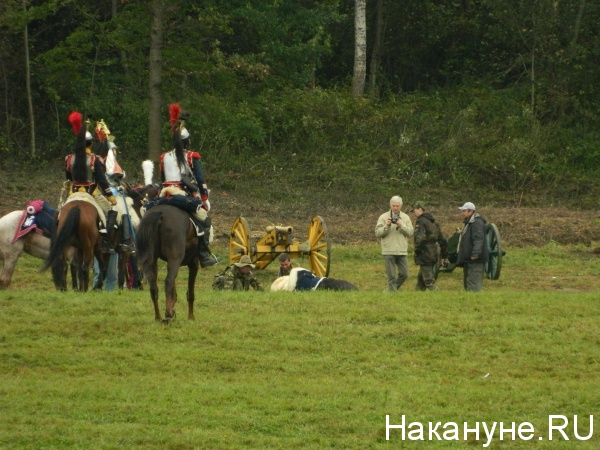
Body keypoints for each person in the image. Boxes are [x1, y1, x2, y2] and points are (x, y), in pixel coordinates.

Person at [159, 103, 216, 267]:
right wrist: (204, 198)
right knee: (204, 220)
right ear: (187, 142)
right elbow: (200, 180)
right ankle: (204, 256)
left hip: (164, 195)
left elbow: (162, 179)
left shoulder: (164, 157)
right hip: (183, 196)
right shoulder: (192, 156)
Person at [65, 111, 116, 254]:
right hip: (92, 194)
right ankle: (106, 242)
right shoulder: (94, 159)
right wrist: (110, 196)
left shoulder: (69, 159)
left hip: (72, 194)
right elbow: (101, 180)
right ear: (91, 143)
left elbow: (68, 177)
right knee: (111, 212)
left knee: (59, 215)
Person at [375, 195, 414, 291]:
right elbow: (378, 233)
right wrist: (386, 226)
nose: (395, 208)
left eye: (397, 206)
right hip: (388, 250)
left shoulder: (405, 217)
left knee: (404, 274)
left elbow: (410, 233)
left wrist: (401, 225)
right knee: (391, 276)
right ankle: (392, 294)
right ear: (390, 205)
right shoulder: (383, 217)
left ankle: (389, 291)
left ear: (401, 206)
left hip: (401, 250)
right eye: (393, 206)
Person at [410, 201, 449, 291]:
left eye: (414, 210)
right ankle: (417, 296)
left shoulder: (421, 221)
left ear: (420, 209)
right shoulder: (434, 222)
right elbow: (442, 240)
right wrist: (445, 255)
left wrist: (417, 251)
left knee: (429, 281)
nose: (413, 213)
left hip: (425, 253)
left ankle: (440, 297)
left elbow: (419, 238)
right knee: (421, 279)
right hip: (434, 253)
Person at [456, 202, 488, 292]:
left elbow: (478, 239)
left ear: (470, 211)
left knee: (474, 284)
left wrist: (475, 254)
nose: (462, 213)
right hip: (469, 258)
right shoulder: (469, 222)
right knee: (469, 282)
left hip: (475, 258)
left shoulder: (476, 222)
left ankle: (476, 301)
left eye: (464, 211)